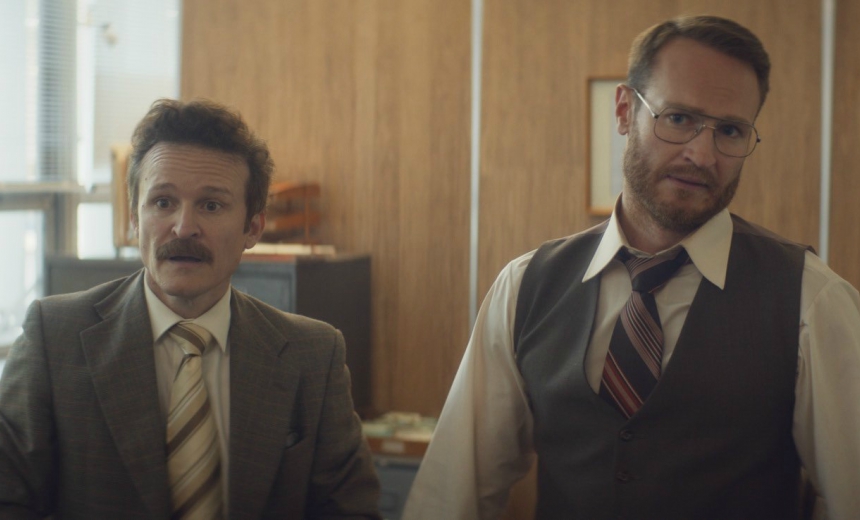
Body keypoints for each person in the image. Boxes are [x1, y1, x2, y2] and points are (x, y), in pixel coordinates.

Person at [403, 15, 860, 520]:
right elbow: (453, 491)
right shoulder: (525, 287)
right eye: (679, 118)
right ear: (624, 111)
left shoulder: (810, 301)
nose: (702, 154)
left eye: (730, 130)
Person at [0, 99, 381, 519]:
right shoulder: (54, 338)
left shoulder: (313, 355)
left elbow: (351, 512)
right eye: (163, 202)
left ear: (253, 227)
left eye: (211, 205)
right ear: (134, 219)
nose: (183, 228)